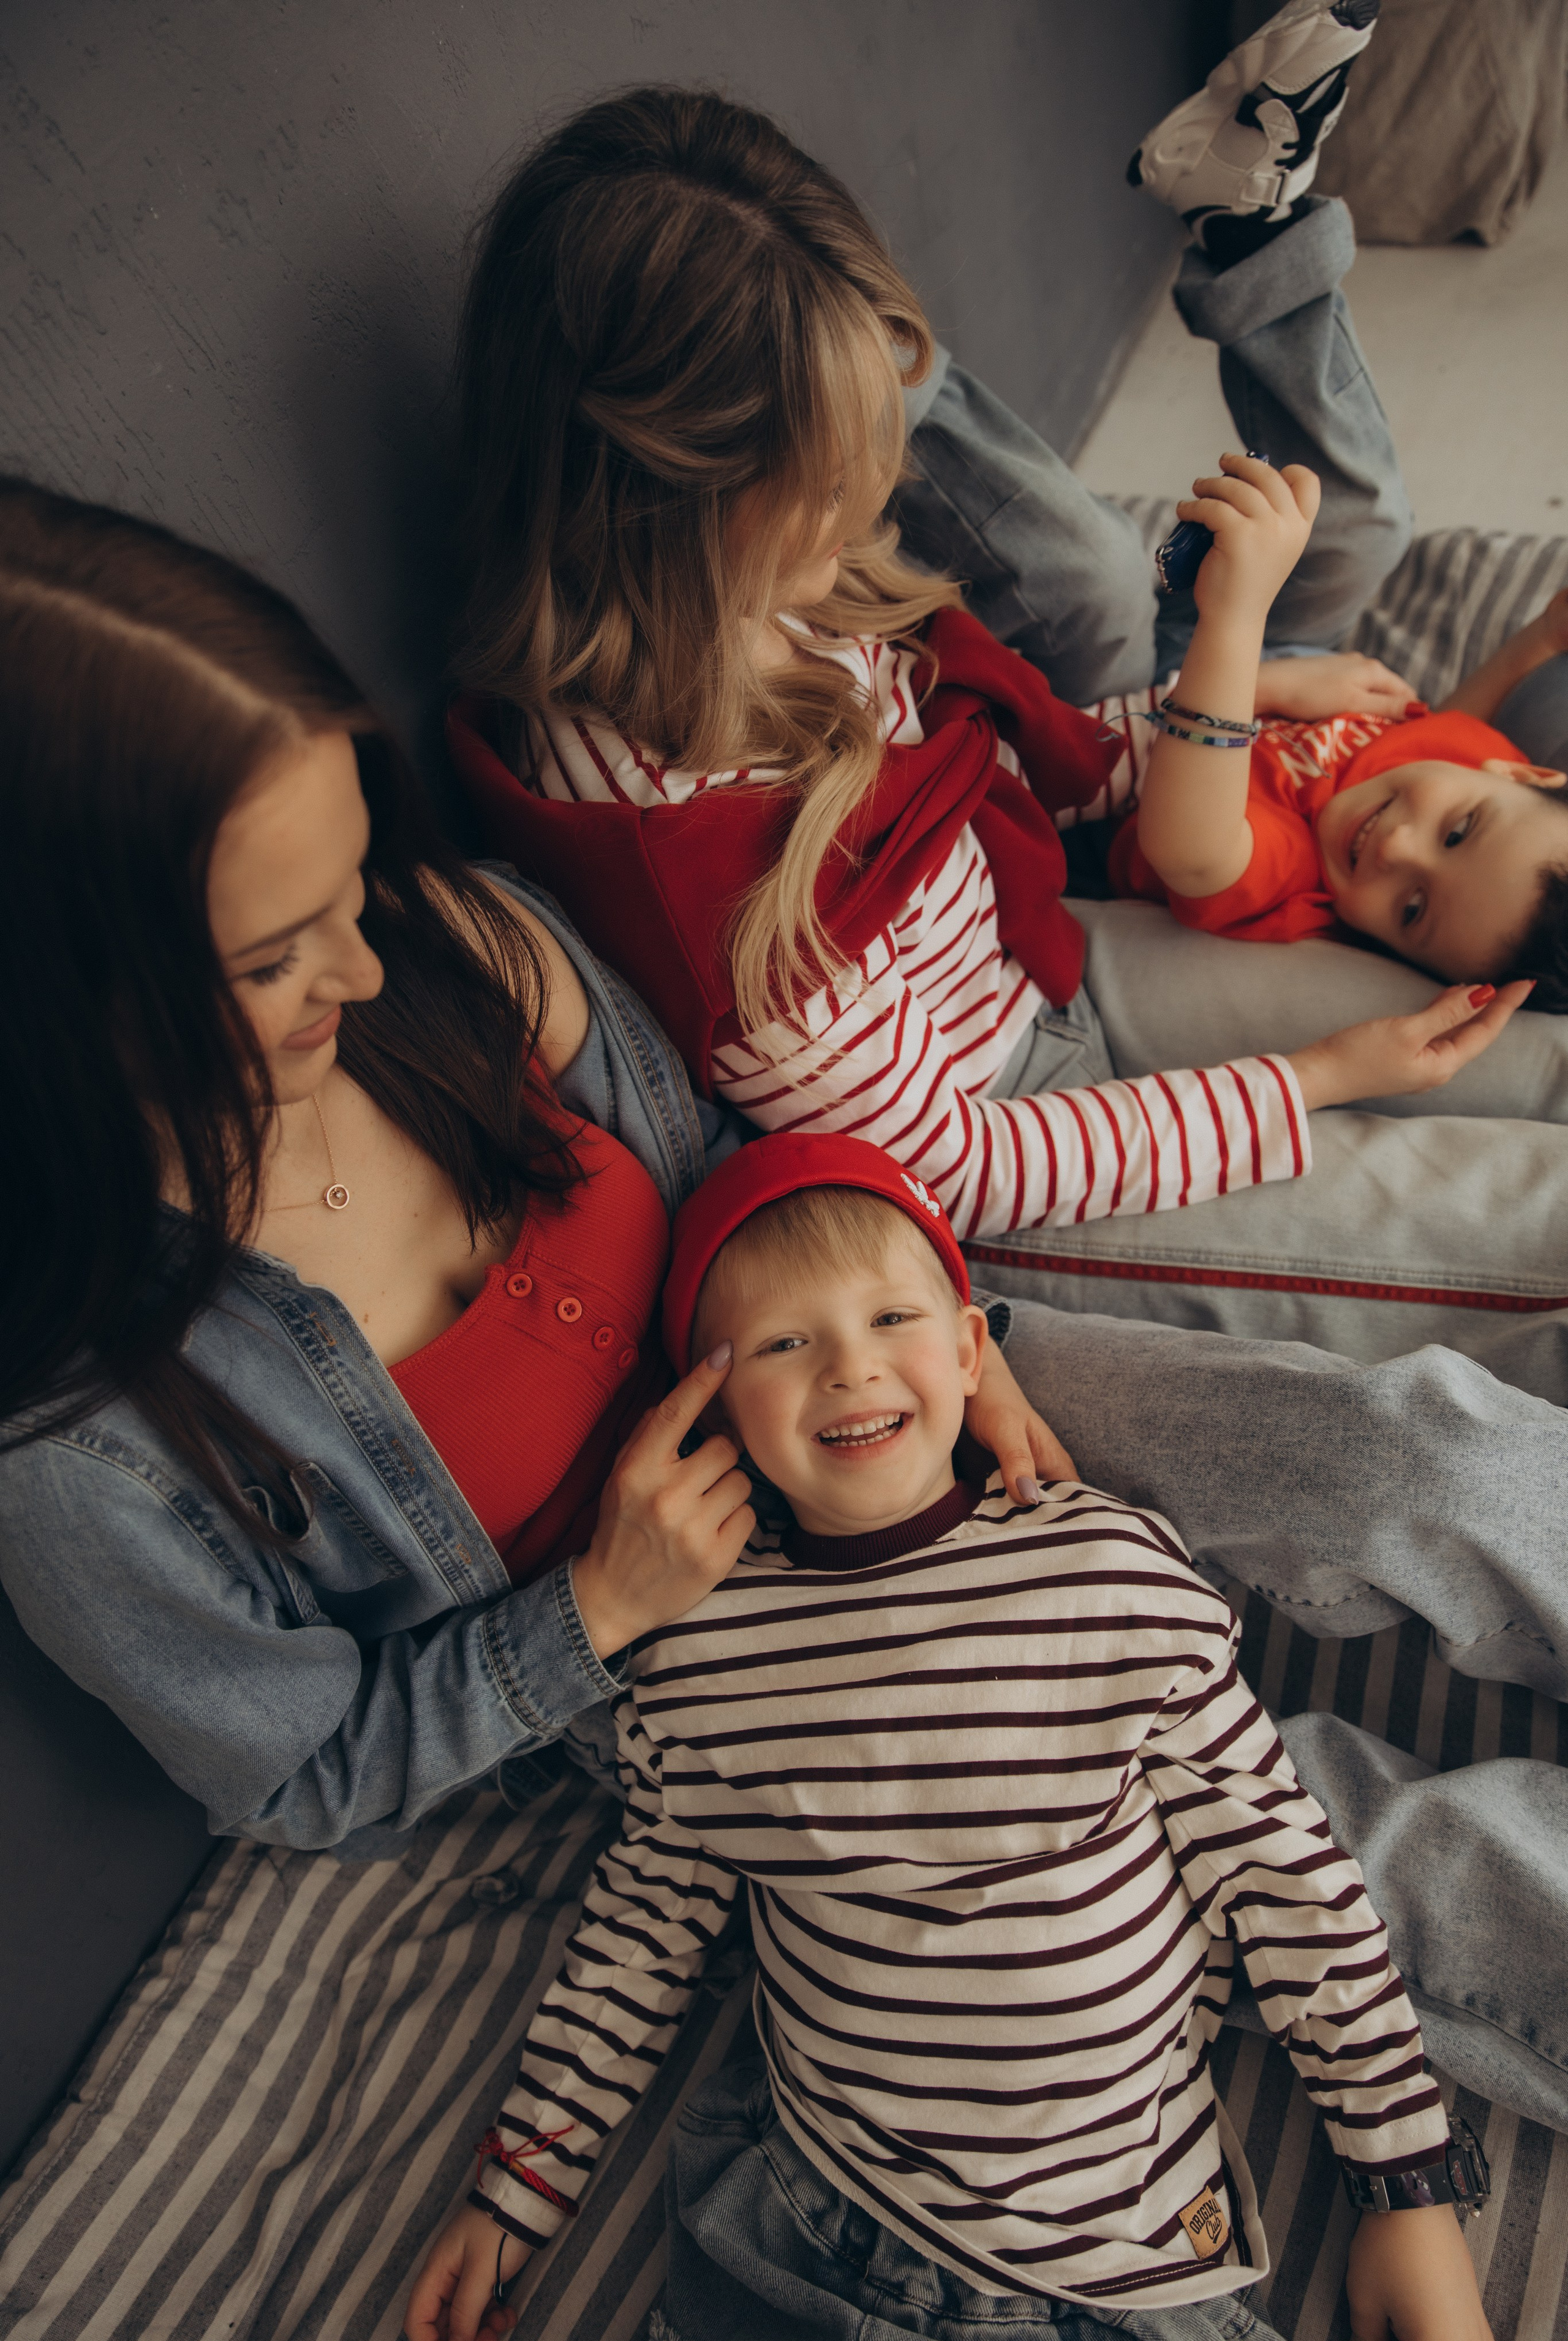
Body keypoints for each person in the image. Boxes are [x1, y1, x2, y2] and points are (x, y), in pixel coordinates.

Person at [442, 22, 1568, 1391]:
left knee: (1512, 1046)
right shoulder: (709, 877)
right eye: (828, 472)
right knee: (1518, 1229)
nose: (874, 496)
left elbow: (1048, 771)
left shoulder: (780, 600)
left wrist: (1215, 708)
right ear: (670, 512)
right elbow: (957, 1171)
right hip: (999, 1167)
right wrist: (1315, 1080)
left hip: (1036, 967)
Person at [404, 1134, 1494, 2341]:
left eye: (889, 1317)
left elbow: (1284, 1877)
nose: (847, 1369)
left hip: (1118, 2253)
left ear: (970, 1352)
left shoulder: (1103, 1568)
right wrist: (511, 2197)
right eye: (781, 1344)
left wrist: (1406, 2187)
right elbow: (641, 1936)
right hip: (817, 2231)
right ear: (706, 1407)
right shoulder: (694, 1657)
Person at [1107, 499, 1568, 1000]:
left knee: (1092, 566)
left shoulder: (1295, 879)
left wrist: (1247, 632)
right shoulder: (1476, 762)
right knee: (1370, 524)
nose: (1396, 848)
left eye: (1412, 909)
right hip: (1280, 641)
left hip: (1129, 702)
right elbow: (1455, 724)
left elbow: (1189, 854)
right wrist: (1546, 635)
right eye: (1457, 832)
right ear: (1522, 775)